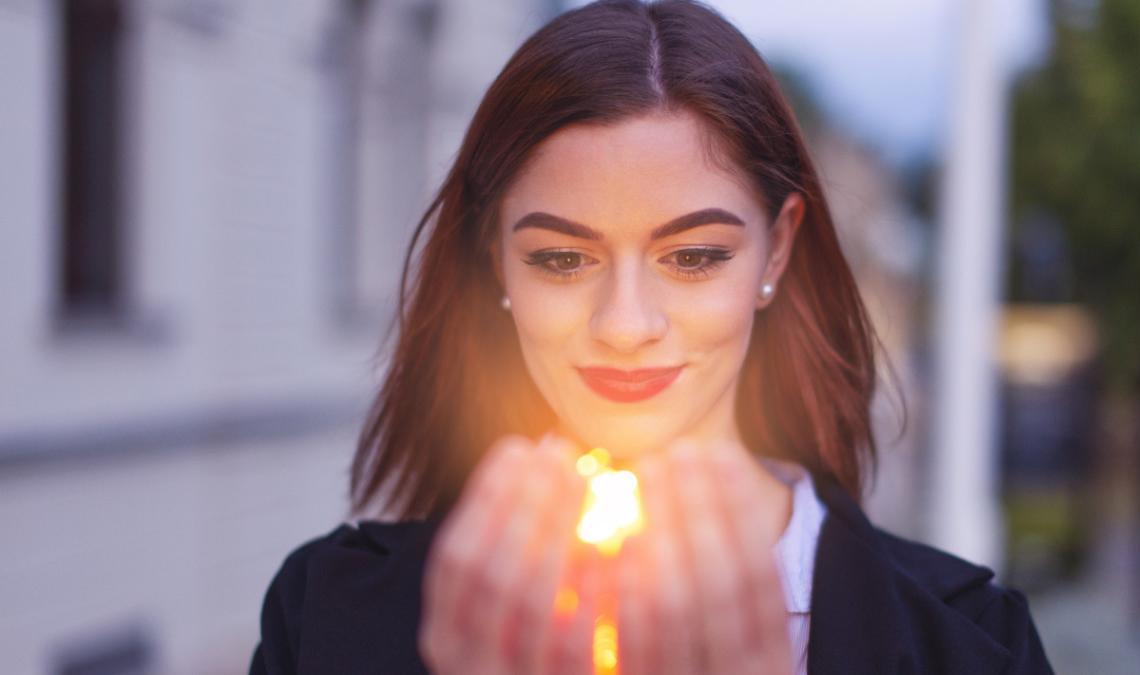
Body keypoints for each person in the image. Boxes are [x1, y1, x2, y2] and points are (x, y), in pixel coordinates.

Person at [249, 1, 1055, 673]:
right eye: (561, 258)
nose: (626, 324)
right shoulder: (325, 618)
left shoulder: (975, 646)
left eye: (694, 257)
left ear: (776, 248)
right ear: (495, 259)